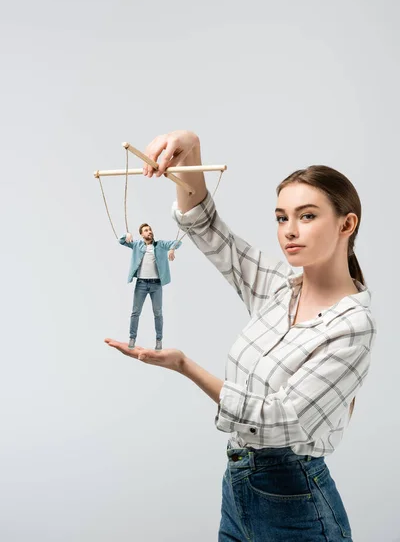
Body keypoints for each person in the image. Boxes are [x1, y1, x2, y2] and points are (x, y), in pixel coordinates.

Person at [106, 130, 377, 541]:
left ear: (347, 223)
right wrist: (191, 151)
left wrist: (185, 366)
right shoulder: (278, 286)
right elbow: (209, 230)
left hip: (296, 500)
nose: (289, 230)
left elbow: (281, 420)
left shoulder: (352, 326)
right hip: (238, 489)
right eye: (281, 217)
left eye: (306, 216)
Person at [119, 222, 182, 350]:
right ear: (142, 234)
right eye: (146, 230)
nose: (149, 231)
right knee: (135, 312)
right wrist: (127, 234)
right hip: (141, 284)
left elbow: (178, 242)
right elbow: (121, 241)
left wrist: (172, 248)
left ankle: (159, 340)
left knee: (158, 313)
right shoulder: (137, 245)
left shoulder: (160, 245)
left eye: (150, 229)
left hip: (156, 285)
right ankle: (132, 338)